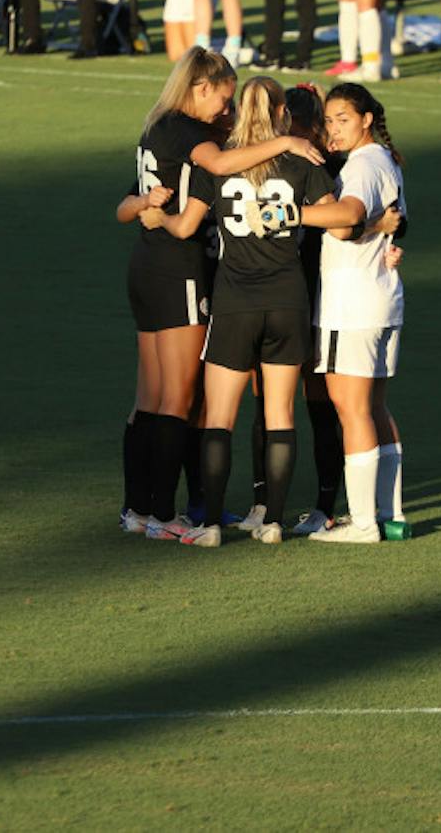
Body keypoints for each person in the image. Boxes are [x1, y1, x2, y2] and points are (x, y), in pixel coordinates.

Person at [115, 48, 323, 541]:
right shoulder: (188, 133)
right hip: (179, 271)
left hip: (145, 267)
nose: (225, 111)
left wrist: (146, 204)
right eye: (222, 99)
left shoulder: (157, 127)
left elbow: (123, 205)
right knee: (179, 398)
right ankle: (166, 515)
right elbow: (224, 162)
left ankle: (137, 508)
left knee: (148, 396)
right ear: (201, 87)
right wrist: (286, 142)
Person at [309, 83, 407, 545]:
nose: (334, 128)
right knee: (374, 407)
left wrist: (291, 212)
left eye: (343, 118)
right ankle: (390, 516)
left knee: (350, 410)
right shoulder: (384, 159)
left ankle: (363, 523)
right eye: (329, 120)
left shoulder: (363, 165)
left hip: (350, 305)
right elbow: (383, 223)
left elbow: (346, 221)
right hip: (383, 301)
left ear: (366, 119)